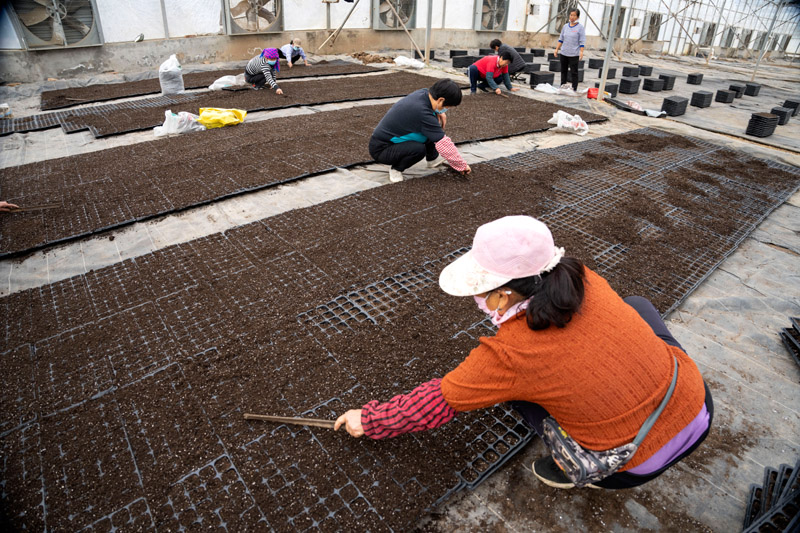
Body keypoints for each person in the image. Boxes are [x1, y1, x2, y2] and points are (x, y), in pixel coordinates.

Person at [335, 215, 713, 490]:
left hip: (633, 463)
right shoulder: (582, 276)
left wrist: (369, 420)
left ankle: (572, 468)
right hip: (696, 401)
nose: (478, 299)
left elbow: (440, 400)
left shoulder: (508, 357)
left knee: (518, 397)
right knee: (637, 305)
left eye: (481, 290)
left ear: (503, 294)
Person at [368, 78, 471, 183]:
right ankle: (396, 169)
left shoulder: (424, 94)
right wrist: (461, 165)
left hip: (395, 140)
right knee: (418, 149)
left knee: (433, 126)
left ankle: (432, 159)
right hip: (382, 149)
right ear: (440, 100)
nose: (446, 110)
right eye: (447, 107)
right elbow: (443, 143)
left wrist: (438, 111)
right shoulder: (422, 112)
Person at [554, 8, 586, 91]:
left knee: (574, 72)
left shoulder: (580, 28)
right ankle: (562, 85)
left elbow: (582, 41)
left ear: (578, 17)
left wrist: (581, 52)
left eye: (574, 15)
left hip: (574, 54)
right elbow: (561, 38)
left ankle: (574, 88)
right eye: (571, 15)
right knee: (563, 71)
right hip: (564, 52)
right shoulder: (565, 26)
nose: (572, 17)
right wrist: (557, 49)